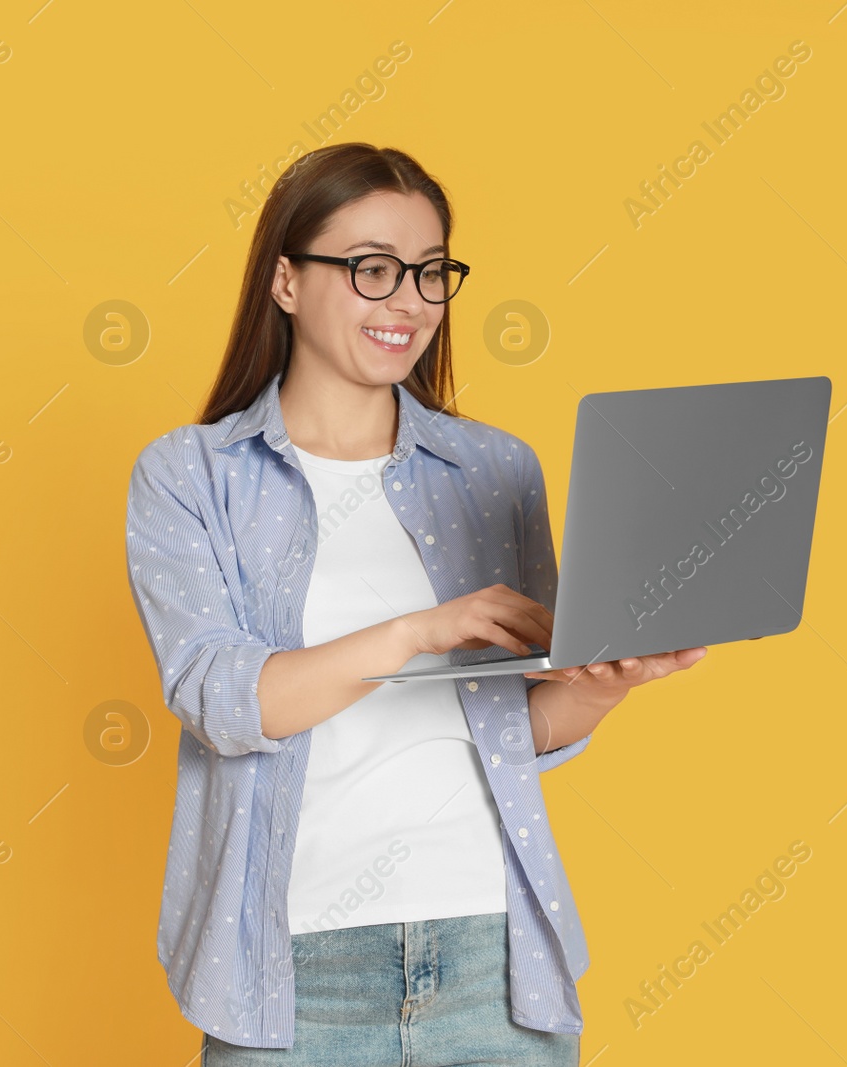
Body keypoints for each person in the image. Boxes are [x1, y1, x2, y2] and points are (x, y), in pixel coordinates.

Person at [124, 142, 707, 1066]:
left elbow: (523, 720)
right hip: (292, 974)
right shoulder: (191, 476)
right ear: (285, 280)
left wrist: (611, 680)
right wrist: (417, 630)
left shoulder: (495, 469)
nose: (408, 302)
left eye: (432, 274)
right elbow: (225, 703)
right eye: (373, 269)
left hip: (492, 961)